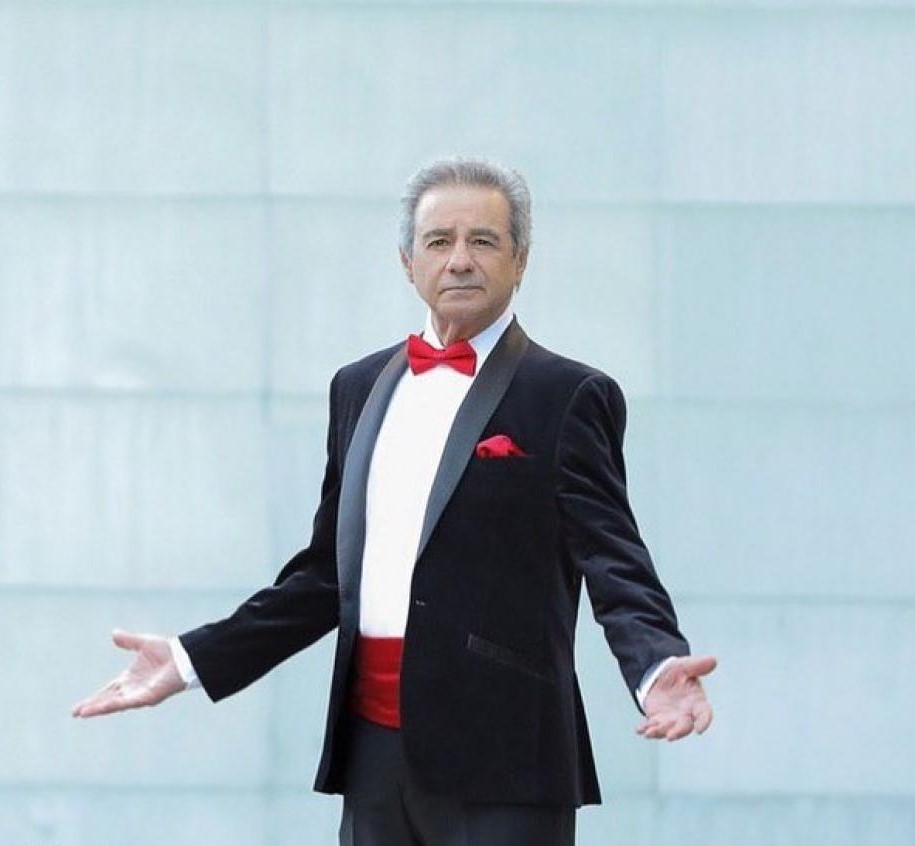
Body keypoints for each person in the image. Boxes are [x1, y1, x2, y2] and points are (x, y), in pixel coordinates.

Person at [73, 158, 716, 846]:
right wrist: (190, 660)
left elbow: (613, 559)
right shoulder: (357, 387)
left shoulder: (567, 394)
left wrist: (654, 664)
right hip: (373, 758)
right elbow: (324, 577)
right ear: (408, 262)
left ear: (521, 260)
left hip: (505, 758)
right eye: (439, 241)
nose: (460, 260)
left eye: (483, 240)